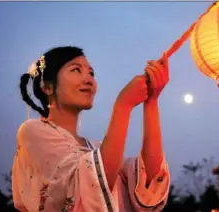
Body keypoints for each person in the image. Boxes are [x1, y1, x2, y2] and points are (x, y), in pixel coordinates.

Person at [12, 46, 171, 212]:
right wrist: (123, 106)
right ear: (48, 87)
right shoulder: (32, 131)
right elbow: (92, 184)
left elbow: (148, 180)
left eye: (91, 73)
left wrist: (152, 101)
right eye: (76, 70)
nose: (89, 80)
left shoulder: (96, 149)